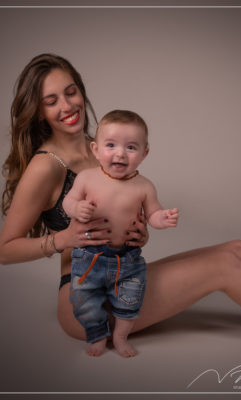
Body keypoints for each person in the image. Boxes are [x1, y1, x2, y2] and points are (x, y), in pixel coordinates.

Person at [0, 53, 241, 354]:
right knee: (224, 268)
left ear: (80, 89)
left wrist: (140, 231)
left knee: (238, 249)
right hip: (89, 297)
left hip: (123, 273)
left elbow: (128, 208)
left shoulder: (102, 148)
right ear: (38, 111)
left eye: (71, 92)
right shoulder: (47, 166)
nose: (67, 105)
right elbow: (4, 250)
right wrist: (63, 239)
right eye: (51, 101)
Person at [62, 109, 179, 357]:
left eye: (131, 147)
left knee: (129, 302)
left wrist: (162, 218)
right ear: (95, 149)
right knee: (84, 301)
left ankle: (120, 336)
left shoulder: (144, 186)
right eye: (111, 145)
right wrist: (77, 208)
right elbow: (68, 202)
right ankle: (97, 336)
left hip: (127, 259)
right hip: (89, 257)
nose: (120, 153)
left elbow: (152, 214)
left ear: (144, 153)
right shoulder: (86, 178)